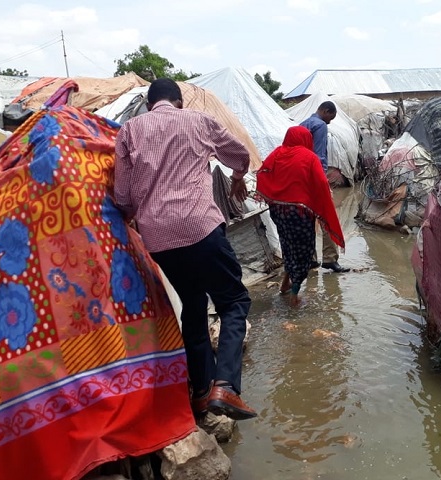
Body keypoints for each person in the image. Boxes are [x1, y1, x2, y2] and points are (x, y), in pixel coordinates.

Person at [113, 78, 257, 421]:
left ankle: (201, 392)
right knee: (234, 302)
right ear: (178, 102)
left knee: (192, 307)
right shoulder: (196, 120)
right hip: (200, 228)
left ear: (150, 105)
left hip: (158, 239)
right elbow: (239, 155)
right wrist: (237, 178)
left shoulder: (129, 131)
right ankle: (227, 387)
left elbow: (122, 197)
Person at [257, 126, 345, 306]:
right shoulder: (309, 157)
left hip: (278, 211)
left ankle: (284, 284)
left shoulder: (277, 153)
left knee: (287, 245)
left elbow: (262, 173)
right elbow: (321, 183)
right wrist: (318, 203)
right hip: (299, 213)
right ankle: (295, 295)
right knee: (303, 252)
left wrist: (273, 196)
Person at [299, 101, 350, 273]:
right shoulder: (320, 126)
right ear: (326, 111)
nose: (329, 122)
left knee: (307, 220)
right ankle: (329, 258)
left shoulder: (303, 124)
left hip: (302, 180)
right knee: (327, 218)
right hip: (315, 178)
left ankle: (310, 259)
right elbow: (319, 156)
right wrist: (323, 183)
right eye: (331, 118)